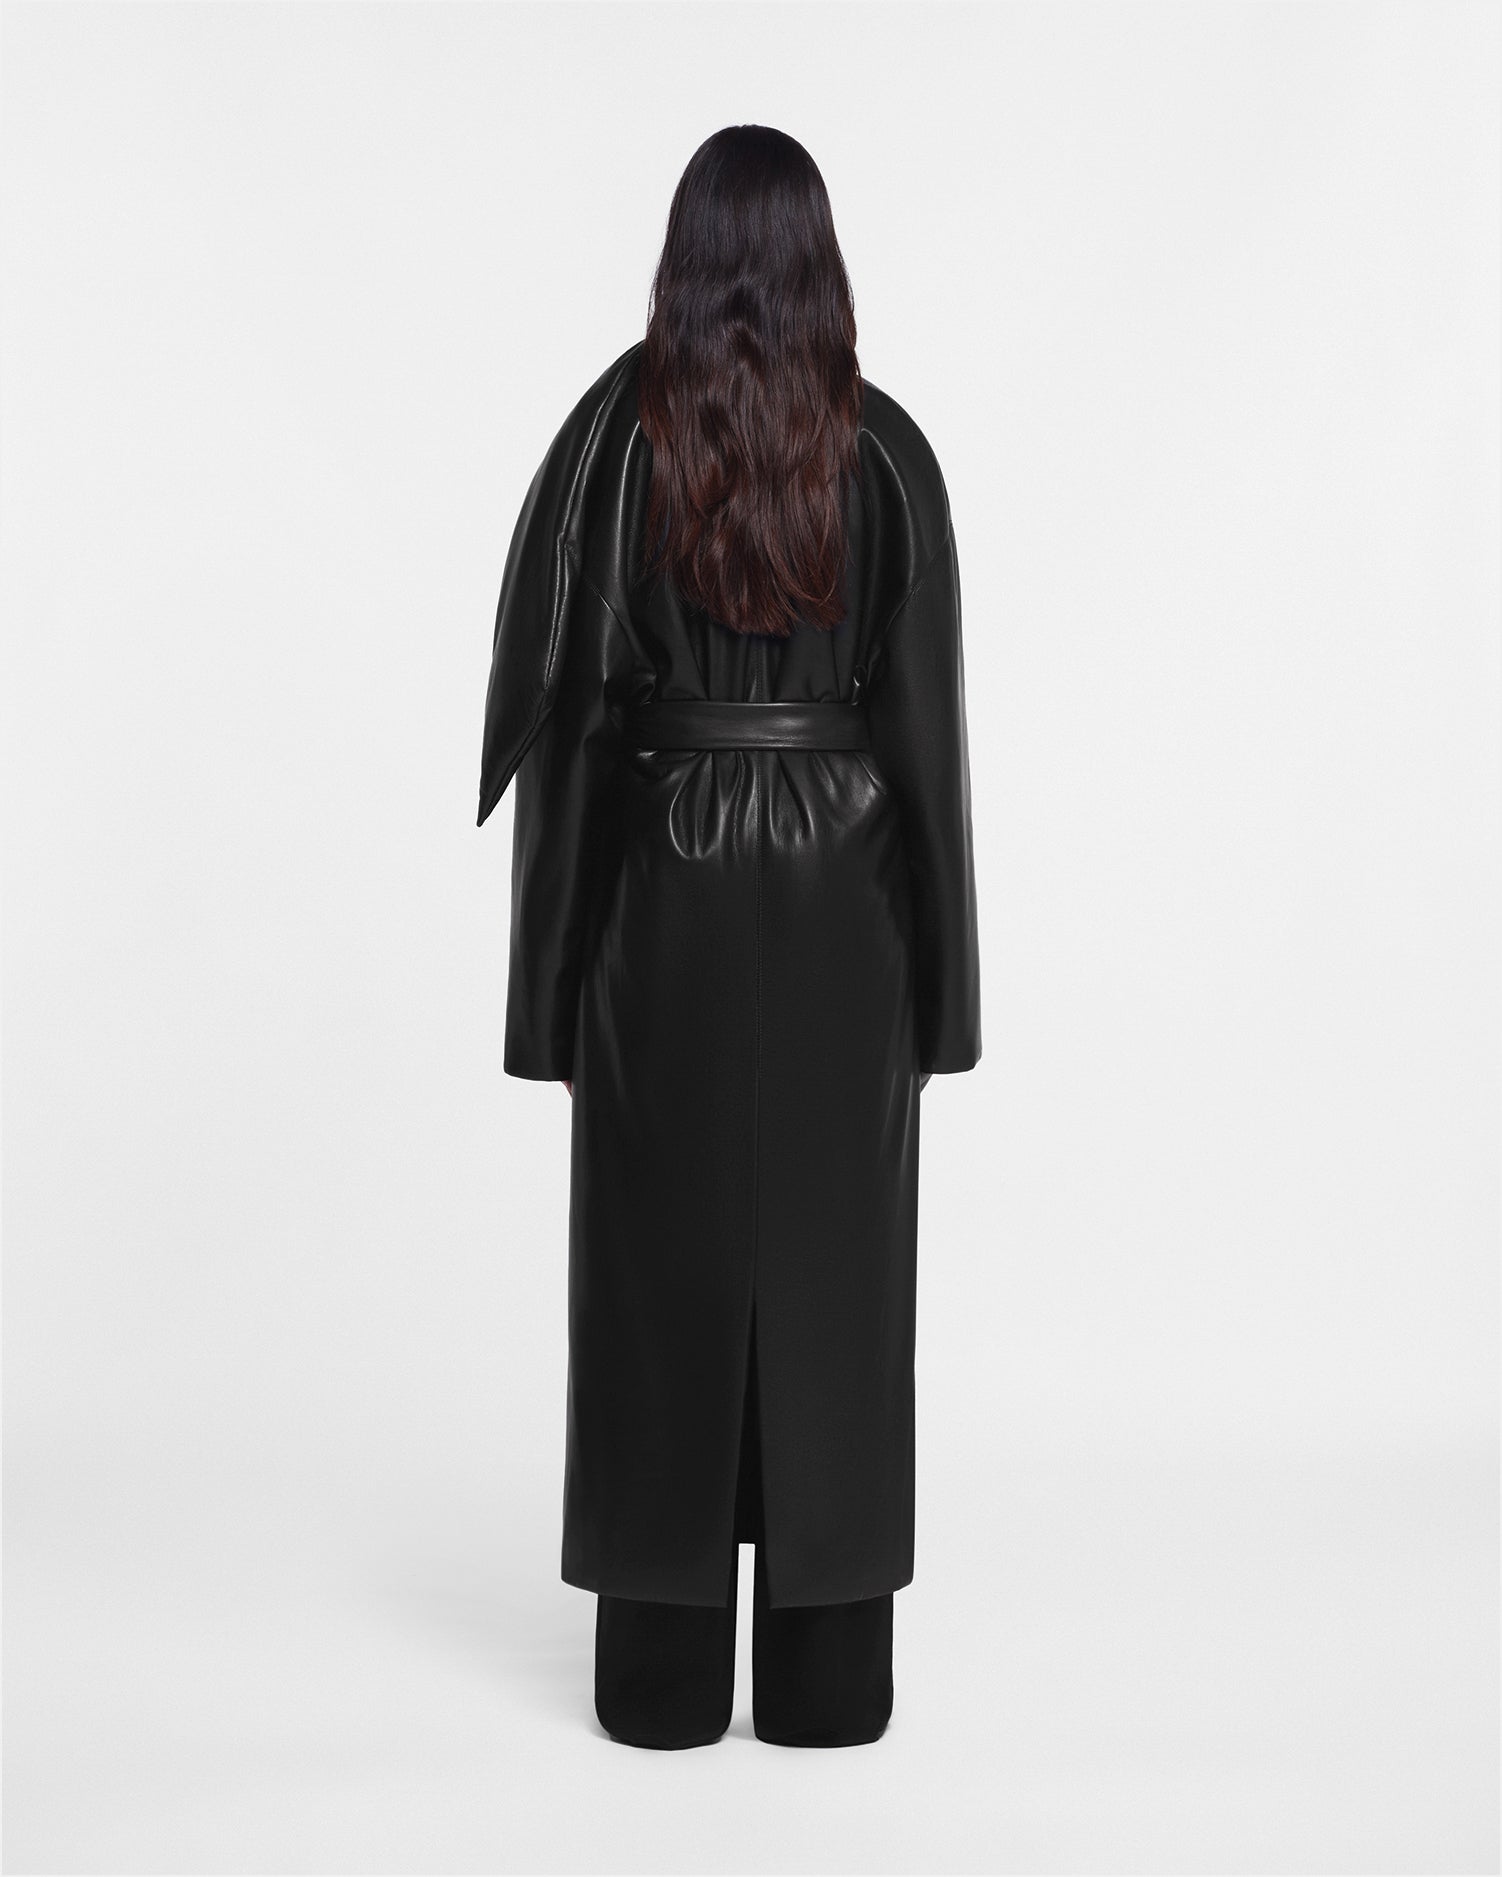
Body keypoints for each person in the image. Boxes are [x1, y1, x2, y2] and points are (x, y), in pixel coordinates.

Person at [476, 124, 981, 1749]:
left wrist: (547, 1000)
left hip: (664, 901)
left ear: (682, 260)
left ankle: (660, 1682)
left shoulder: (609, 447)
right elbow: (926, 744)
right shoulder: (888, 454)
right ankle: (830, 1682)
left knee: (654, 1271)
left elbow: (564, 735)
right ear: (822, 261)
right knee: (842, 1280)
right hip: (847, 907)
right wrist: (946, 1001)